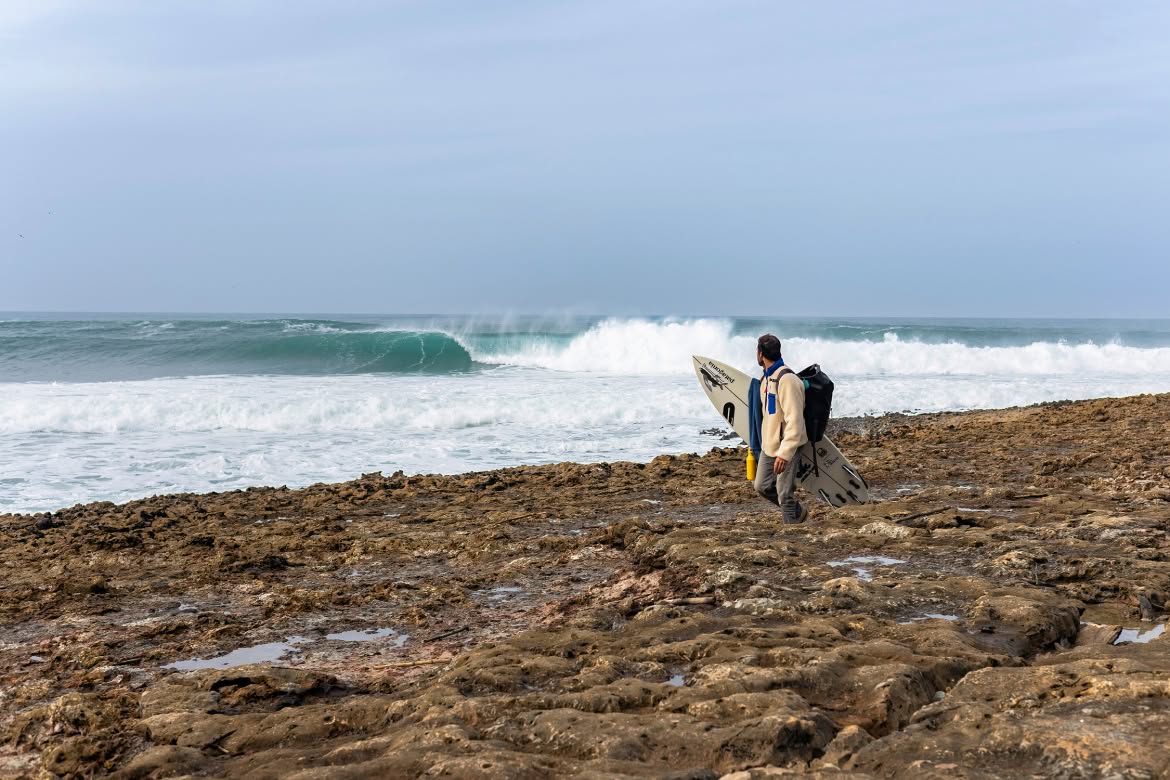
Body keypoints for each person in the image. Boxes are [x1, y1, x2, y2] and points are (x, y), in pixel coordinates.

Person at [754, 334, 809, 523]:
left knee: (784, 493)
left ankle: (792, 535)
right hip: (770, 445)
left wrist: (785, 453)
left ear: (761, 354)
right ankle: (798, 512)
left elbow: (795, 421)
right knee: (761, 485)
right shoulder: (766, 378)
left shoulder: (788, 380)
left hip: (788, 444)